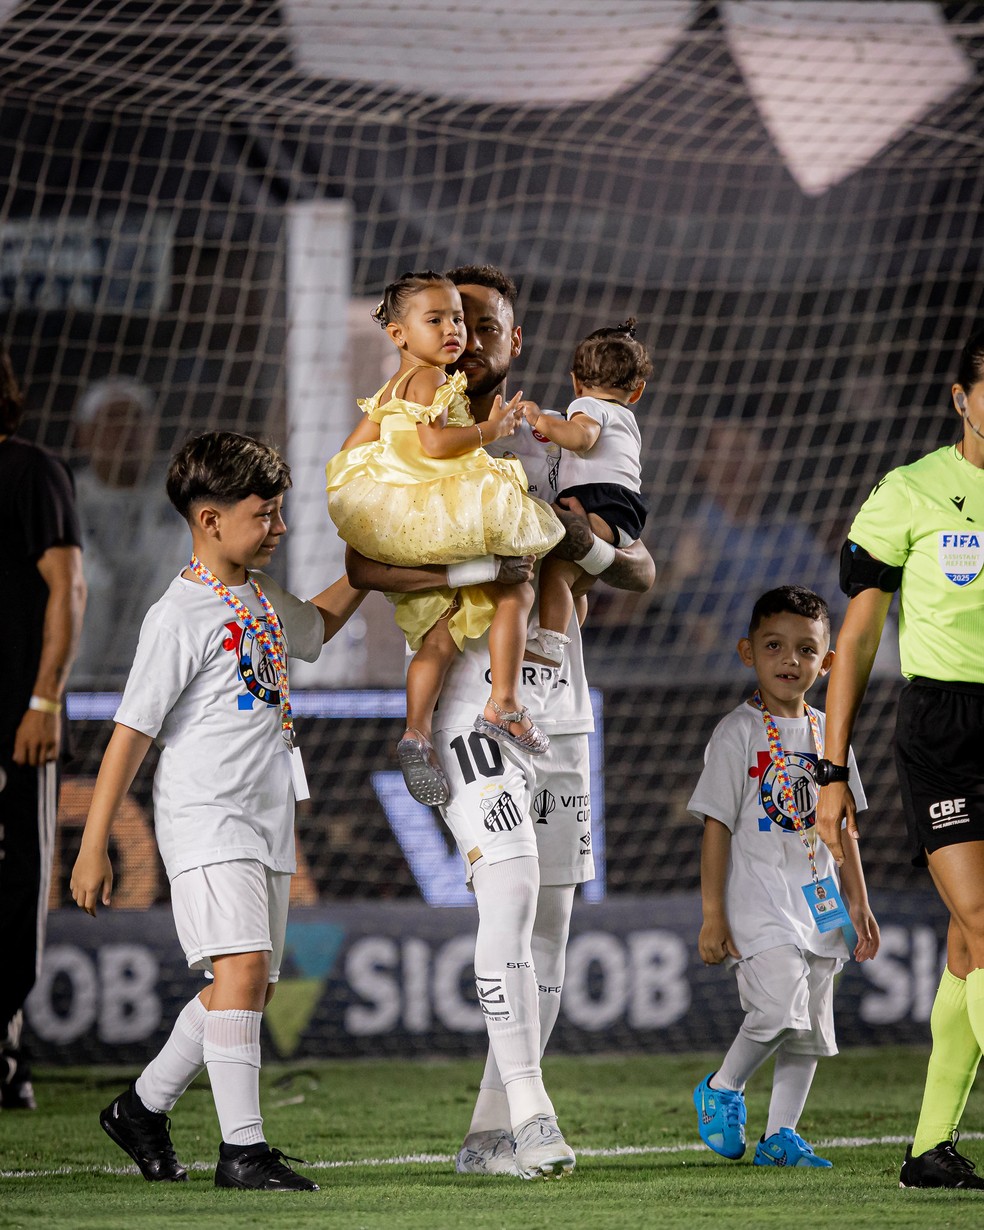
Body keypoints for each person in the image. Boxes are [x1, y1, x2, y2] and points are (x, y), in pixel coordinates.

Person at [345, 264, 655, 1179]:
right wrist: (482, 574)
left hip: (563, 702)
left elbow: (639, 570)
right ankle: (534, 1117)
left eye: (489, 327)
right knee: (511, 892)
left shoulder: (555, 439)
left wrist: (572, 536)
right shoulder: (413, 421)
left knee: (553, 920)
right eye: (459, 322)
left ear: (516, 344)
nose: (473, 338)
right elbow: (362, 562)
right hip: (474, 693)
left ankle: (488, 1136)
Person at [70, 431, 365, 1190]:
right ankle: (243, 1151)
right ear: (209, 520)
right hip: (207, 816)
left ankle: (141, 1108)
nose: (281, 527)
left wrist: (364, 574)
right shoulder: (177, 615)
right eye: (265, 514)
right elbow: (129, 735)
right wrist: (92, 843)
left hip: (267, 819)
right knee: (245, 970)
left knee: (250, 987)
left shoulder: (258, 594)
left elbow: (317, 629)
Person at [817, 325, 984, 1191]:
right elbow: (853, 644)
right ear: (961, 397)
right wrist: (832, 770)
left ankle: (928, 1149)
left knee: (968, 945)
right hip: (945, 728)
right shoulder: (910, 492)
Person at [325, 270, 565, 805]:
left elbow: (350, 451)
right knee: (516, 587)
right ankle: (503, 702)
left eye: (458, 319)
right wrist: (489, 433)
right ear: (399, 334)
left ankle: (414, 730)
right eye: (440, 320)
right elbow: (435, 444)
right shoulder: (435, 381)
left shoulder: (389, 389)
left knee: (438, 635)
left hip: (408, 516)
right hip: (448, 510)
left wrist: (386, 478)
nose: (457, 332)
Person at [689, 586, 879, 1168]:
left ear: (826, 664)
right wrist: (714, 914)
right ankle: (722, 1088)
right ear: (749, 652)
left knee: (810, 1028)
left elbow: (843, 829)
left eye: (805, 650)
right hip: (758, 903)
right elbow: (716, 827)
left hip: (819, 902)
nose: (790, 661)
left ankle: (781, 1138)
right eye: (775, 646)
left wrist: (860, 903)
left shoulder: (830, 735)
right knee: (776, 1011)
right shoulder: (736, 733)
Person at [0, 346, 86, 1111]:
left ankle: (6, 1049)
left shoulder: (31, 472)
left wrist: (44, 701)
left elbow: (69, 587)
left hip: (12, 719)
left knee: (17, 882)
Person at [520, 318, 650, 664]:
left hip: (598, 499)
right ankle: (566, 637)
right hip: (624, 509)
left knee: (557, 571)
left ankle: (549, 644)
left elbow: (581, 437)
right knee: (578, 582)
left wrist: (539, 420)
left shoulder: (588, 406)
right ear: (637, 391)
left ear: (576, 383)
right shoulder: (626, 416)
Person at [69, 376, 184, 688]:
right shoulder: (63, 497)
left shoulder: (183, 499)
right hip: (80, 675)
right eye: (113, 421)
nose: (127, 433)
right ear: (85, 435)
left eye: (137, 421)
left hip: (162, 674)